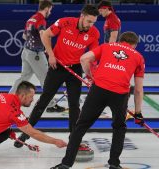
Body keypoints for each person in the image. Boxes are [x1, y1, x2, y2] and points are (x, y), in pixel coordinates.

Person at [51, 31, 145, 169]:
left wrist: (90, 76)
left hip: (99, 89)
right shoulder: (139, 57)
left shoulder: (107, 46)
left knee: (80, 126)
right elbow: (138, 89)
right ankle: (114, 164)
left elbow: (84, 58)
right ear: (134, 45)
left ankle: (66, 164)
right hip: (119, 95)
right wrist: (138, 113)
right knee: (119, 128)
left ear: (120, 41)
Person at [14, 4, 100, 152]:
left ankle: (74, 139)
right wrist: (51, 55)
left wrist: (92, 76)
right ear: (82, 16)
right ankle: (25, 134)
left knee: (74, 105)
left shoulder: (94, 33)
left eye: (93, 22)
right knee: (44, 102)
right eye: (89, 21)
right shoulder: (64, 22)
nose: (90, 25)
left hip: (75, 69)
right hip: (57, 67)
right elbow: (45, 35)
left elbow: (92, 57)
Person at [9, 0, 66, 113]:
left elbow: (24, 36)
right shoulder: (41, 19)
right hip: (36, 55)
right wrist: (48, 50)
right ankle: (50, 105)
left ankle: (9, 99)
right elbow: (42, 34)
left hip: (26, 52)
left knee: (23, 78)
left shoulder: (31, 18)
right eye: (50, 10)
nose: (50, 12)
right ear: (47, 8)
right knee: (46, 79)